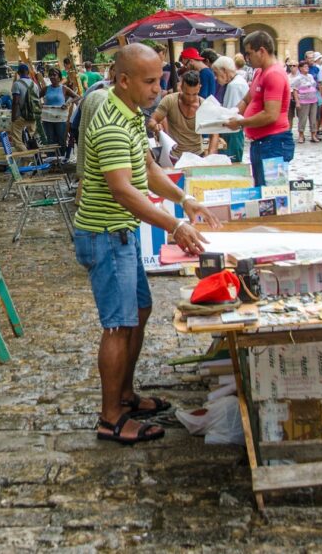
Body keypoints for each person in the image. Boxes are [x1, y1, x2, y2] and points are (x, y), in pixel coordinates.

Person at [73, 43, 221, 445]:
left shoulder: (131, 117)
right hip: (105, 236)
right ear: (123, 81)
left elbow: (148, 170)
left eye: (160, 79)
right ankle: (111, 418)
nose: (160, 88)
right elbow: (123, 190)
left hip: (119, 234)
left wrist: (184, 199)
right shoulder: (111, 125)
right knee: (118, 325)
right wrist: (175, 227)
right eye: (151, 81)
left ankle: (124, 395)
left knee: (139, 309)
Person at [225, 30, 293, 186]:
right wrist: (231, 114)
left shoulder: (274, 74)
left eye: (249, 54)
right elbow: (247, 99)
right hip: (262, 142)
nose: (247, 58)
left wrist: (241, 123)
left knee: (273, 190)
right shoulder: (259, 72)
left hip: (273, 141)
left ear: (261, 51)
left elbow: (270, 115)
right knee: (263, 187)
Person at [149, 71, 213, 160]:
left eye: (194, 94)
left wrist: (210, 156)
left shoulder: (204, 105)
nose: (190, 98)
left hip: (197, 155)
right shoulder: (170, 100)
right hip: (174, 156)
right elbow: (152, 120)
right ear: (181, 87)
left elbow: (214, 132)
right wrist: (156, 126)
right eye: (187, 94)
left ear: (199, 88)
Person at [212, 55, 246, 163]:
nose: (216, 78)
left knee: (232, 163)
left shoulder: (234, 86)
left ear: (225, 71)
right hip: (234, 131)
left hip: (233, 132)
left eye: (217, 74)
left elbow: (231, 114)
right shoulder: (235, 82)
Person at [42, 67, 75, 157]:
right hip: (48, 119)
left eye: (54, 75)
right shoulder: (46, 89)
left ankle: (61, 158)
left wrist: (67, 103)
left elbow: (76, 96)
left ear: (59, 77)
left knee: (61, 139)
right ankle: (51, 160)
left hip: (60, 119)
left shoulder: (64, 88)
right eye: (50, 75)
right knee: (50, 139)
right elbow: (37, 97)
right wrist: (40, 104)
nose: (52, 77)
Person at [9, 63, 41, 150]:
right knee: (31, 139)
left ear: (18, 73)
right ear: (28, 72)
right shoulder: (34, 85)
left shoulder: (17, 84)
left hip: (21, 116)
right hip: (33, 115)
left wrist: (13, 117)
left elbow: (15, 102)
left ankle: (27, 157)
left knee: (17, 140)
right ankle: (33, 158)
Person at [290, 60, 320, 143]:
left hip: (313, 100)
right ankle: (301, 135)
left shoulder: (310, 76)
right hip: (303, 101)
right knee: (302, 119)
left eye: (307, 67)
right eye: (304, 67)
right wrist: (297, 102)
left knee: (313, 118)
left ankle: (313, 134)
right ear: (300, 68)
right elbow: (295, 90)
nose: (306, 68)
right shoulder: (298, 78)